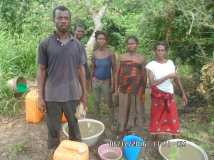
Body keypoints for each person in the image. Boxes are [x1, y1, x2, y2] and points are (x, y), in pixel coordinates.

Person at [37, 5, 87, 150]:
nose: (63, 21)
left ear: (70, 21)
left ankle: (76, 154)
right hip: (52, 96)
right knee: (53, 132)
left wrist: (84, 94)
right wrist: (40, 97)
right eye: (60, 18)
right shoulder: (45, 44)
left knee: (75, 130)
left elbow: (81, 69)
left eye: (66, 18)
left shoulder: (77, 45)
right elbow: (41, 70)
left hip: (73, 95)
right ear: (54, 20)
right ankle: (54, 153)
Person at [145, 41, 188, 141]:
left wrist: (183, 93)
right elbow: (152, 83)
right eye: (158, 50)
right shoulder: (151, 65)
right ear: (154, 51)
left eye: (162, 50)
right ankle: (156, 140)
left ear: (166, 52)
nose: (160, 52)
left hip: (169, 95)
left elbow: (176, 79)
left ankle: (175, 140)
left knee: (172, 118)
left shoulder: (170, 63)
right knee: (157, 118)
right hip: (157, 96)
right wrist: (168, 76)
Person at [116, 36, 147, 136]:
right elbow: (118, 72)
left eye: (133, 43)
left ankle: (130, 126)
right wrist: (116, 87)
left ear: (137, 45)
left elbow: (144, 74)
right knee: (123, 107)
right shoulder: (122, 57)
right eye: (129, 43)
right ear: (127, 45)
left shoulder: (141, 58)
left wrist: (143, 90)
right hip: (123, 87)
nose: (131, 45)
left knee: (134, 107)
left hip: (136, 87)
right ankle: (121, 127)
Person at [91, 31, 116, 116]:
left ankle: (112, 120)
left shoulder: (110, 53)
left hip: (106, 81)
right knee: (96, 101)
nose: (101, 40)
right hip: (96, 80)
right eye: (99, 39)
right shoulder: (94, 53)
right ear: (96, 40)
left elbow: (114, 70)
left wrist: (114, 84)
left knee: (109, 101)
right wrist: (92, 80)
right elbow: (93, 68)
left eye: (103, 39)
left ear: (106, 40)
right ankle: (96, 119)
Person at [74, 24, 91, 91]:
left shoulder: (80, 44)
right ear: (74, 31)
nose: (80, 33)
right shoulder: (71, 43)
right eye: (78, 31)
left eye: (82, 31)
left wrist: (88, 75)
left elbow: (84, 62)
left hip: (82, 74)